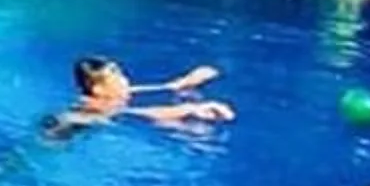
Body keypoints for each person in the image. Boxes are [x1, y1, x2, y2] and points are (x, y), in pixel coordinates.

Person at [47, 56, 233, 138]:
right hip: (60, 133)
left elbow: (141, 90)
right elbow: (144, 113)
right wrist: (192, 109)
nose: (125, 80)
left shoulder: (109, 95)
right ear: (99, 90)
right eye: (117, 77)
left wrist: (181, 83)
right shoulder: (96, 107)